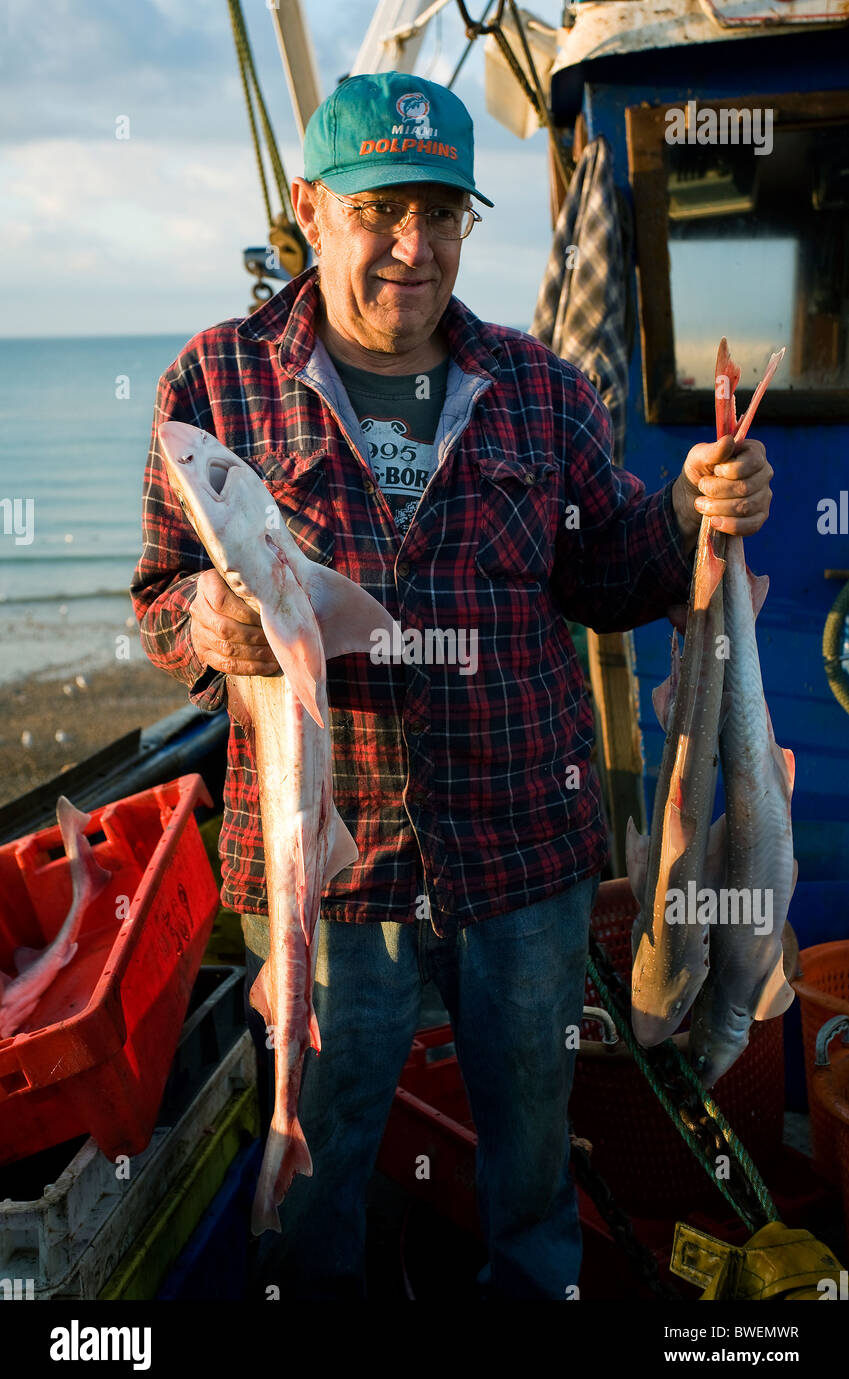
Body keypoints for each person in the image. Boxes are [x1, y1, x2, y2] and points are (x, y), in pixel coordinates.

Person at [130, 70, 774, 1301]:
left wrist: (693, 508)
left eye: (441, 211)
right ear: (312, 211)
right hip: (333, 872)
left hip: (524, 866)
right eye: (379, 212)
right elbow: (157, 594)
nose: (414, 248)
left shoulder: (539, 385)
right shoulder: (213, 386)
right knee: (316, 1181)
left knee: (533, 1176)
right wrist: (204, 623)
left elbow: (614, 563)